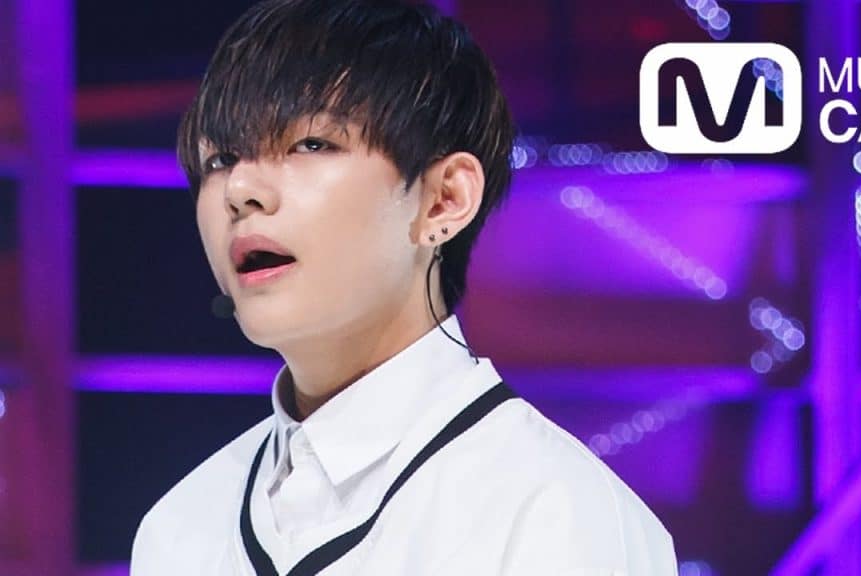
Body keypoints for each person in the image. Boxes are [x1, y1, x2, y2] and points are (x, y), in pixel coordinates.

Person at [129, 0, 678, 574]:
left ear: (444, 200)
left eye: (310, 144)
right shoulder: (181, 527)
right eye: (220, 158)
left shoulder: (557, 514)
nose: (240, 189)